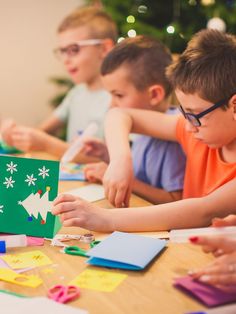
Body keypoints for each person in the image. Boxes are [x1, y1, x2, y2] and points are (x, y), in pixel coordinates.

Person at [52, 29, 236, 233]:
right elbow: (119, 115)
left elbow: (204, 211)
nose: (188, 125)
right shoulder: (193, 129)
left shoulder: (195, 132)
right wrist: (121, 160)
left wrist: (107, 219)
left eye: (195, 114)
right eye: (184, 113)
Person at [1, 6, 117, 160]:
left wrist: (47, 144)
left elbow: (108, 159)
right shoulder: (77, 93)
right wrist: (14, 136)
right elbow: (41, 131)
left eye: (73, 50)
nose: (66, 60)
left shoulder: (118, 98)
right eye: (62, 51)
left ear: (104, 49)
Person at [83, 35, 186, 204]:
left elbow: (176, 199)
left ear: (154, 94)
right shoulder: (141, 130)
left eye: (119, 95)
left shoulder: (172, 139)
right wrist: (106, 155)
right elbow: (140, 171)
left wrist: (128, 182)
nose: (112, 105)